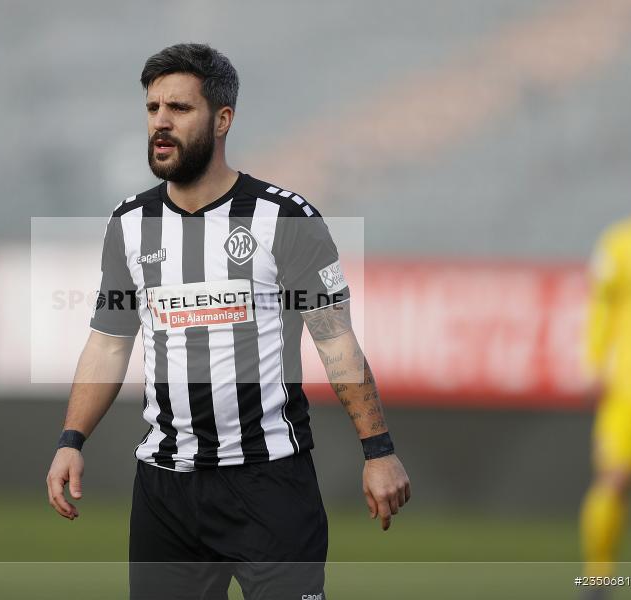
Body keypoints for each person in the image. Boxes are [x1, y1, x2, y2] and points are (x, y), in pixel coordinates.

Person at [46, 43, 410, 600]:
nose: (161, 123)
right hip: (166, 491)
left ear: (222, 120)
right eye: (152, 109)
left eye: (179, 109)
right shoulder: (129, 224)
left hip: (270, 485)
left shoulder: (287, 219)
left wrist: (379, 451)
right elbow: (110, 340)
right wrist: (72, 439)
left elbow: (336, 341)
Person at [580, 162, 631, 588]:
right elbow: (600, 309)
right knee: (615, 479)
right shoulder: (621, 243)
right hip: (629, 386)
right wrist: (594, 361)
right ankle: (598, 581)